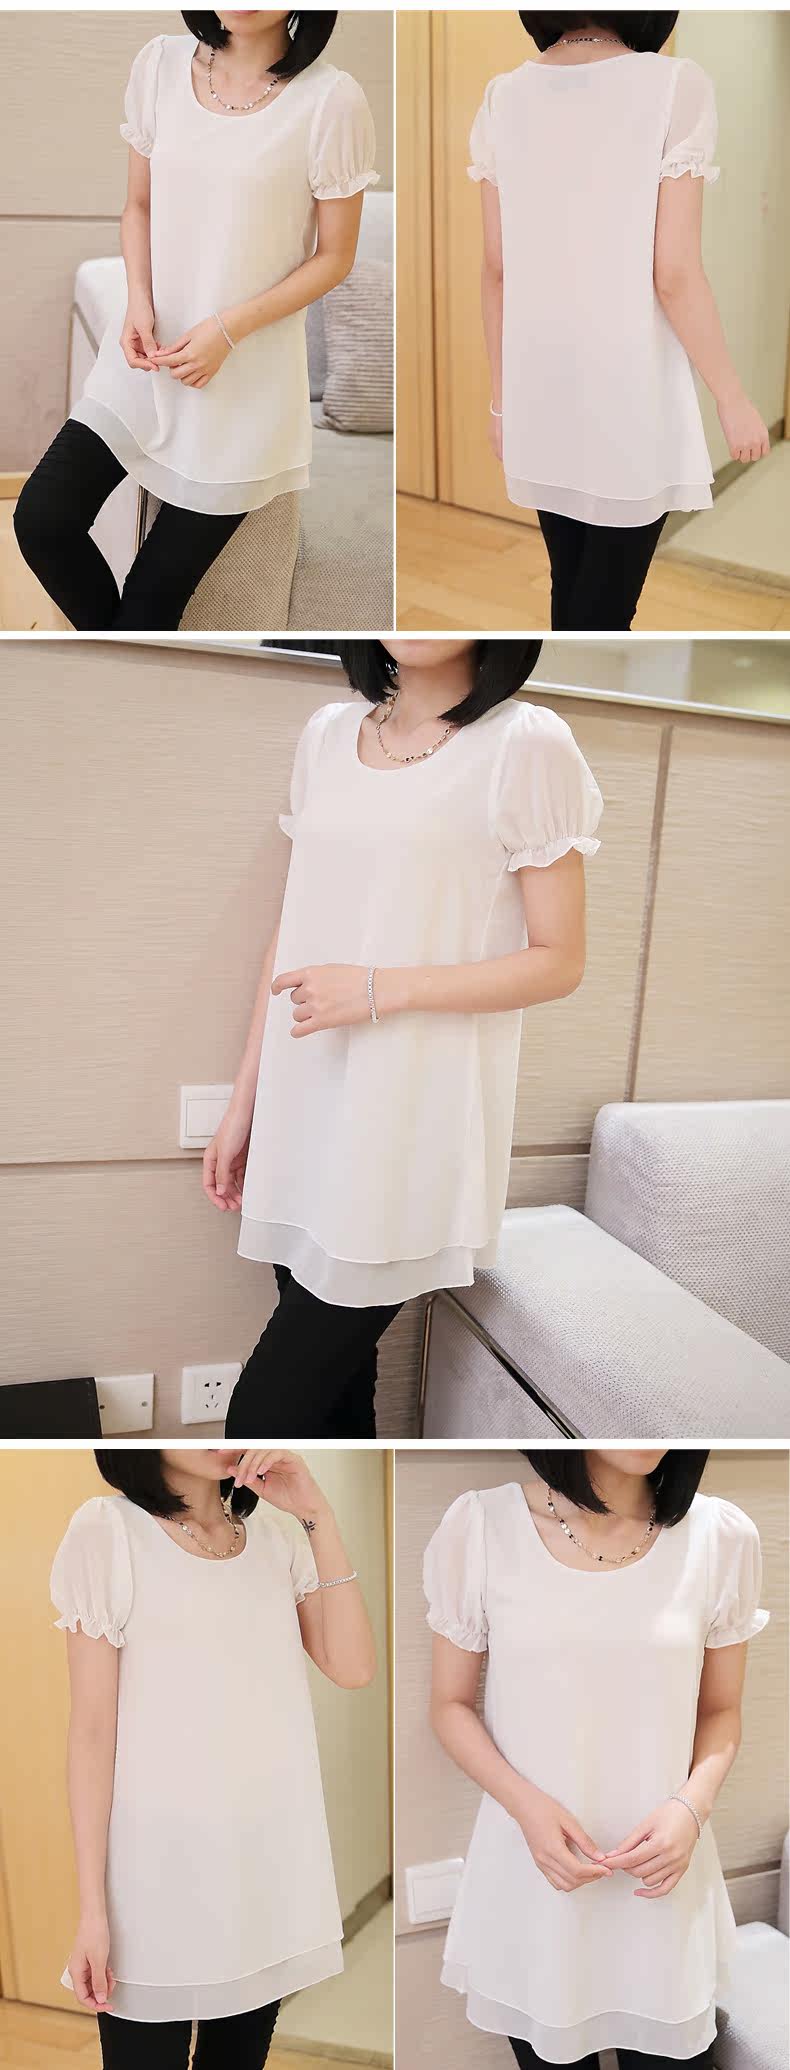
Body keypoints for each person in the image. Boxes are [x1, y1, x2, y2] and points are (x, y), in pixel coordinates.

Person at [203, 637, 602, 1438]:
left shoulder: (525, 744)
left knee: (264, 1416)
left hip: (408, 1120)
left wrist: (379, 987)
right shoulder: (326, 734)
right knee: (336, 1399)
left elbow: (560, 961)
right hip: (303, 1105)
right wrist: (246, 1101)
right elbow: (293, 928)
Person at [14, 11, 377, 629]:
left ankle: (117, 669)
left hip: (241, 390)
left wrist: (227, 330)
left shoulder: (331, 100)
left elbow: (334, 257)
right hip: (143, 365)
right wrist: (138, 298)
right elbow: (138, 205)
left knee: (150, 608)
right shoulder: (159, 64)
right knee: (42, 519)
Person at [425, 1447, 768, 2067]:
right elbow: (450, 1706)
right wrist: (527, 1808)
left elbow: (721, 1710)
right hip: (535, 1882)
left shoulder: (720, 1537)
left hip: (663, 1887)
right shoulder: (482, 1527)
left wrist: (691, 1807)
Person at [51, 1445, 375, 2069]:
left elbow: (354, 1667)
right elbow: (91, 1733)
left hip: (266, 1863)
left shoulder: (276, 1536)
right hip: (155, 1873)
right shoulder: (109, 1530)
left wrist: (318, 1515)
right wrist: (92, 1910)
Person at [472, 12, 770, 630]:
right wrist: (733, 397)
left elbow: (497, 269)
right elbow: (675, 273)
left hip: (539, 393)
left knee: (570, 584)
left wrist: (502, 405)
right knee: (605, 609)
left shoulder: (503, 96)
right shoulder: (676, 85)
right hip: (628, 400)